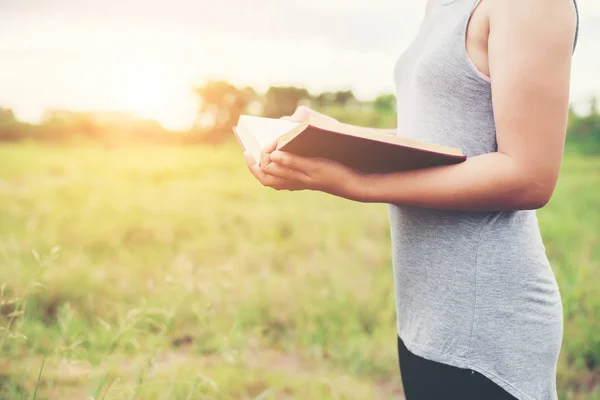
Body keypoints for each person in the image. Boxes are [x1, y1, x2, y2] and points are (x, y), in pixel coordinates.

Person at [244, 0, 579, 398]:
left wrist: (359, 184)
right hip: (424, 322)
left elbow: (528, 176)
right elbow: (442, 142)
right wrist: (335, 137)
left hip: (487, 334)